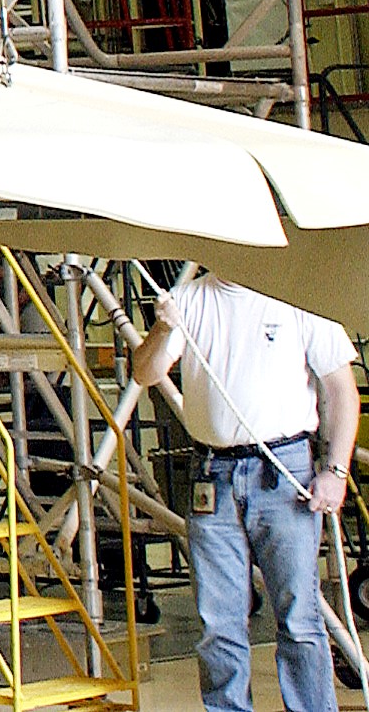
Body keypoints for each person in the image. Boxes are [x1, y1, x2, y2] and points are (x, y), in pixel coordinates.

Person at [130, 272, 359, 712]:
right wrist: (163, 327)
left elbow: (341, 390)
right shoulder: (188, 299)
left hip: (283, 470)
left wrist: (335, 470)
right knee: (218, 625)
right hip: (212, 474)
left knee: (299, 618)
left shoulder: (297, 293)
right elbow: (146, 371)